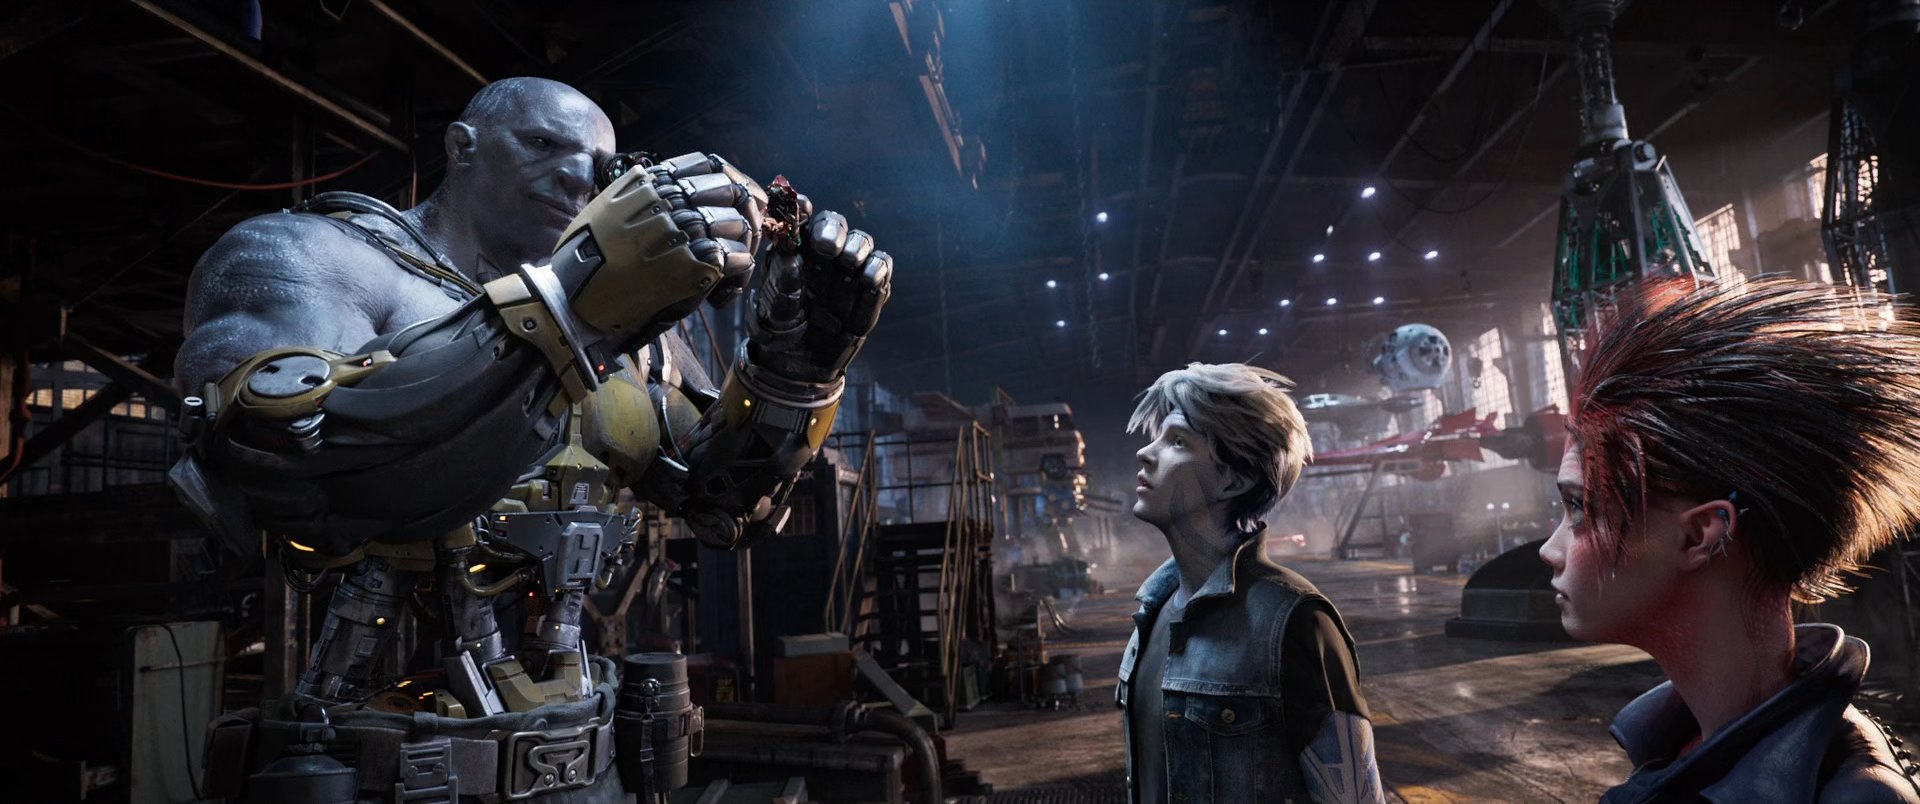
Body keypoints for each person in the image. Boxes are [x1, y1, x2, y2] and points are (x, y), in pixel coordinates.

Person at [173, 77, 891, 801]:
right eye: (543, 144)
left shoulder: (632, 333)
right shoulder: (315, 256)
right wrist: (571, 301)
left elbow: (720, 504)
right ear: (463, 146)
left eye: (600, 165)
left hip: (587, 761)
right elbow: (299, 467)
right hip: (371, 764)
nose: (578, 177)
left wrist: (796, 370)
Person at [1539, 278, 1920, 802]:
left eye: (1580, 508)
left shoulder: (1852, 796)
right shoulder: (1687, 747)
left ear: (1700, 534)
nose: (1549, 550)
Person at [1118, 362, 1383, 803]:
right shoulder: (1152, 611)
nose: (1146, 453)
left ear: (1233, 479)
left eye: (1178, 441)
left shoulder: (1295, 623)